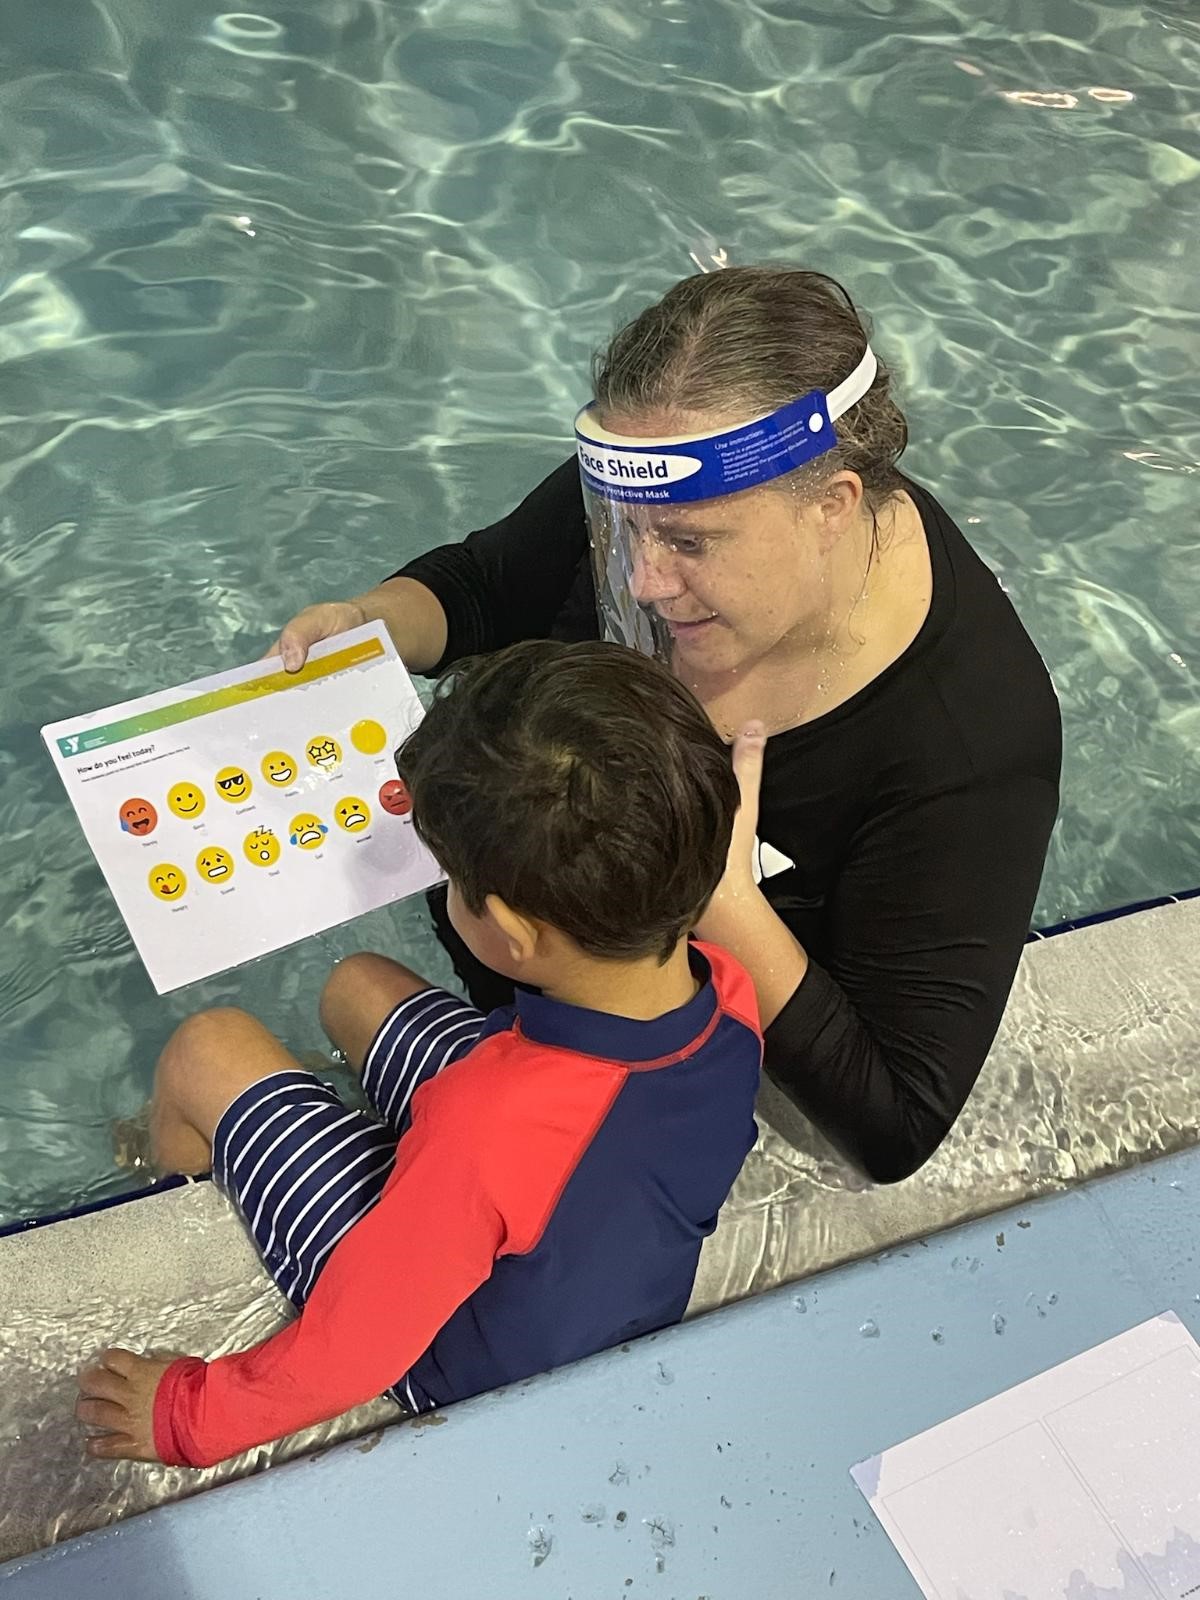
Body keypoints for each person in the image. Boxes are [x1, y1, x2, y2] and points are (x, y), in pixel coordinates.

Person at [267, 265, 1062, 1185]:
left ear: (832, 507)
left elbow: (895, 1120)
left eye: (690, 544)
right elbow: (487, 586)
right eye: (625, 525)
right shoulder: (664, 479)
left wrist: (722, 901)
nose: (641, 577)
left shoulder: (967, 744)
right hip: (517, 952)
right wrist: (372, 624)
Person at [75, 641, 761, 1467]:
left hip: (463, 1353)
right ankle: (292, 1106)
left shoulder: (484, 1132)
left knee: (206, 1047)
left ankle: (167, 1166)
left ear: (509, 933)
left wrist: (187, 1418)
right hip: (574, 1188)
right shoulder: (728, 994)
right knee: (359, 984)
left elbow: (351, 1352)